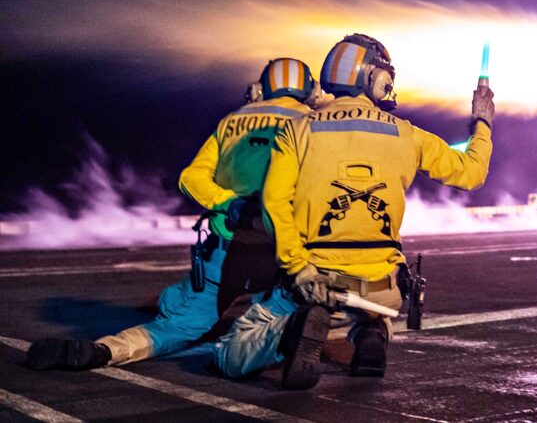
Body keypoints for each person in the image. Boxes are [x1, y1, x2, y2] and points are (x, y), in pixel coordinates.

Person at [215, 33, 494, 389]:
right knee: (376, 308)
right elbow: (472, 174)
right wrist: (482, 122)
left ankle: (290, 336)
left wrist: (297, 268)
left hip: (317, 280)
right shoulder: (407, 134)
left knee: (228, 353)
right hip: (383, 289)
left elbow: (274, 205)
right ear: (376, 78)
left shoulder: (298, 130)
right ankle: (371, 331)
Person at [27, 58, 317, 371]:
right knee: (286, 314)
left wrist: (228, 202)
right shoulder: (313, 124)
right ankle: (286, 333)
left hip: (227, 252)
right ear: (309, 90)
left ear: (260, 89)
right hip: (286, 254)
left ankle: (105, 350)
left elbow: (190, 178)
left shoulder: (232, 121)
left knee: (176, 325)